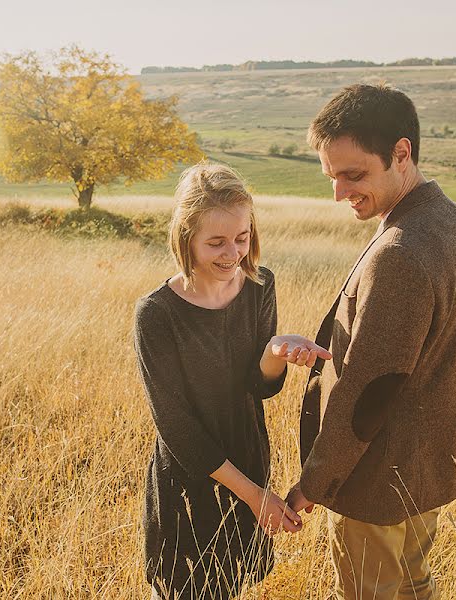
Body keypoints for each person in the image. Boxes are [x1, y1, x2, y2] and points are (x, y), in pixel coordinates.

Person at [286, 84, 456, 600]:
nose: (339, 193)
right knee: (412, 587)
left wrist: (315, 481)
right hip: (423, 472)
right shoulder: (452, 220)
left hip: (377, 479)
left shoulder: (400, 251)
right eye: (331, 177)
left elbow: (369, 391)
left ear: (401, 153)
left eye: (353, 175)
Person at [134, 163, 330, 599]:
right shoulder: (156, 314)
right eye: (216, 242)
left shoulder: (260, 286)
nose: (233, 253)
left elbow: (260, 387)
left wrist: (274, 352)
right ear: (186, 238)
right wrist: (254, 495)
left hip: (248, 457)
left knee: (232, 585)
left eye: (242, 238)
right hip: (190, 477)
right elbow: (176, 427)